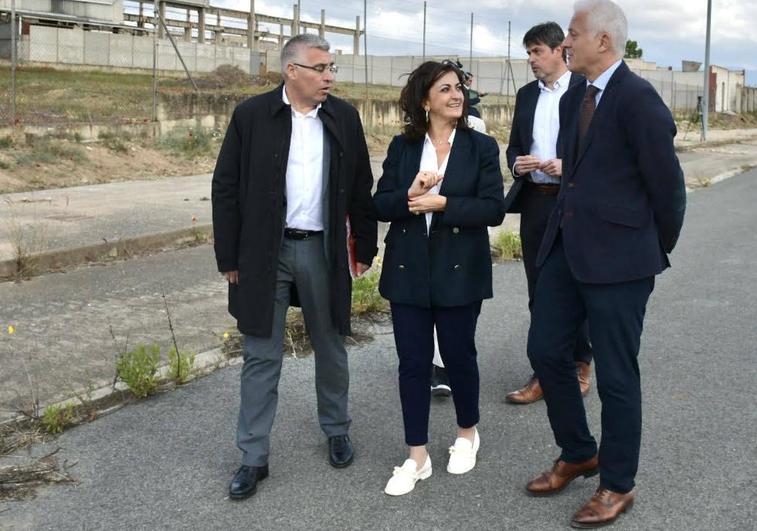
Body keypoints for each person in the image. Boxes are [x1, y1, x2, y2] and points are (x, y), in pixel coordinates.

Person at [524, 1, 686, 527]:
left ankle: (617, 484)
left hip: (621, 264)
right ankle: (579, 452)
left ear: (603, 42)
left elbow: (669, 191)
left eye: (572, 34)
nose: (564, 42)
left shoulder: (640, 101)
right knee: (546, 350)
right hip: (567, 250)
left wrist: (644, 251)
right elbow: (578, 173)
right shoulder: (577, 94)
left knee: (617, 375)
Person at [211, 34, 378, 501]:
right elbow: (225, 187)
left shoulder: (343, 117)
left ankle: (337, 429)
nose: (329, 77)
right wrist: (229, 257)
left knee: (330, 344)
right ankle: (252, 457)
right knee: (261, 354)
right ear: (292, 71)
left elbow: (361, 184)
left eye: (332, 69)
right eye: (320, 68)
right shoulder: (251, 116)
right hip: (264, 252)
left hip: (322, 249)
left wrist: (364, 245)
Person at [373, 60, 506, 496]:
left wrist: (444, 203)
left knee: (458, 354)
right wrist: (410, 195)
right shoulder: (403, 146)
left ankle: (467, 432)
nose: (456, 95)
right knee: (412, 364)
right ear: (425, 99)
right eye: (445, 89)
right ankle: (417, 456)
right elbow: (382, 204)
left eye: (459, 88)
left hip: (459, 268)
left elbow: (493, 208)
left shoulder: (481, 146)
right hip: (409, 269)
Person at [503, 22, 592, 405]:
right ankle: (544, 369)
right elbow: (512, 147)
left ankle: (580, 362)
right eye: (529, 53)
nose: (531, 60)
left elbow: (597, 149)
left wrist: (565, 163)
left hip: (573, 202)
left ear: (559, 51)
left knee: (577, 282)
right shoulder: (526, 95)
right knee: (539, 288)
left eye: (537, 51)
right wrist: (518, 164)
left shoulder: (585, 90)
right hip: (536, 201)